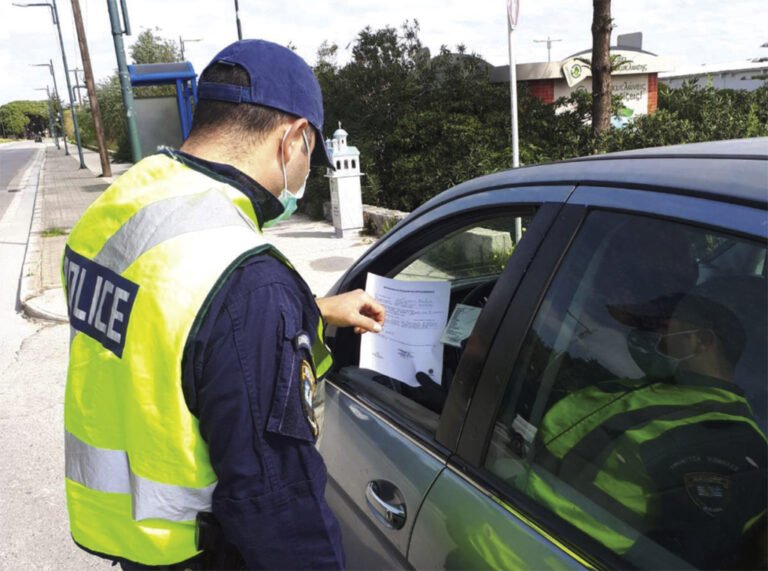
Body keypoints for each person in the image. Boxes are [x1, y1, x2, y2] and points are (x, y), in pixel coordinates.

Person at [62, 39, 385, 570]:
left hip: (131, 533)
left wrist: (312, 308)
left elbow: (167, 313)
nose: (307, 176)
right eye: (312, 157)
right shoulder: (250, 282)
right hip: (196, 550)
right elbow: (276, 510)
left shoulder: (123, 201)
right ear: (294, 140)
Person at [524, 291, 767, 569]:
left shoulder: (728, 443)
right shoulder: (647, 390)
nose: (638, 337)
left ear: (701, 341)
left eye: (658, 329)